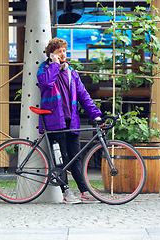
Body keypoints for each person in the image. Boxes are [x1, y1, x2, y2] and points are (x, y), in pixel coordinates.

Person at [36, 37, 103, 204]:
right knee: (61, 158)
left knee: (75, 157)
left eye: (64, 51)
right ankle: (66, 193)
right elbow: (45, 84)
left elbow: (84, 96)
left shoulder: (72, 73)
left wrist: (96, 115)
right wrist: (53, 64)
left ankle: (85, 192)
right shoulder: (44, 70)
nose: (63, 54)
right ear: (52, 54)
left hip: (71, 122)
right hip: (53, 121)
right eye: (59, 51)